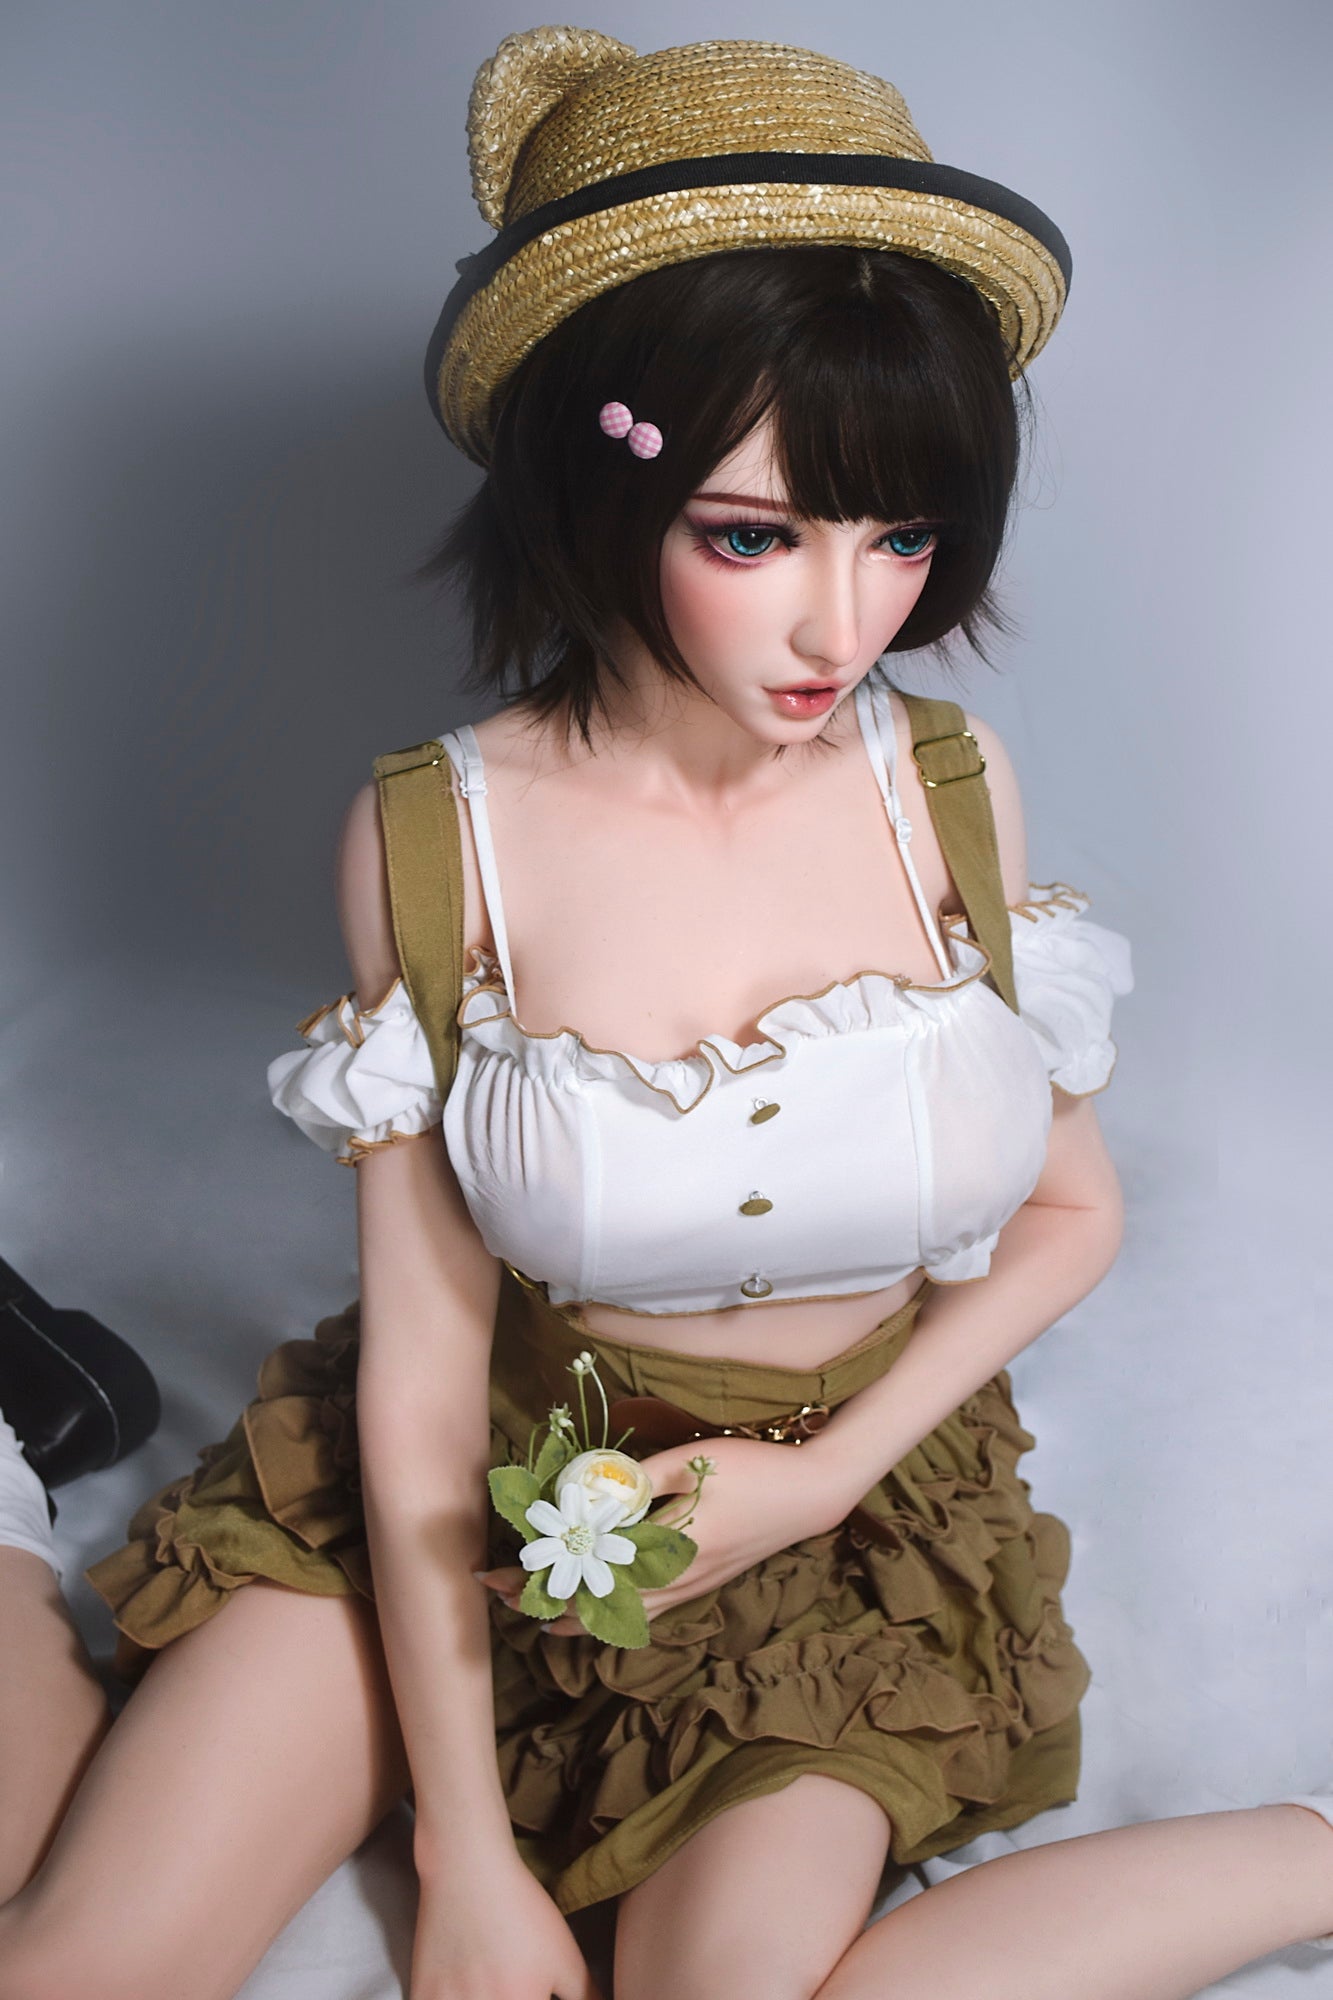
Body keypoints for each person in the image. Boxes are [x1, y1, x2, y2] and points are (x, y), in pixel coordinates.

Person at [1, 27, 1331, 2000]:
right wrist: (462, 1854)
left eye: (898, 537)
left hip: (822, 1534)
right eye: (753, 534)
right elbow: (425, 1362)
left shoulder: (946, 791)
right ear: (591, 490)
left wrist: (824, 1469)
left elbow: (1073, 1211)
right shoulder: (435, 836)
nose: (842, 624)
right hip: (458, 1507)